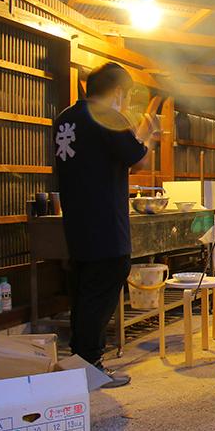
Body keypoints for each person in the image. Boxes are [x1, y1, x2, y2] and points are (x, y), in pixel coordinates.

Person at [54, 62, 157, 388]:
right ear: (117, 92)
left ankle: (78, 363)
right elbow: (137, 160)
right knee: (100, 295)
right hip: (107, 227)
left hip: (78, 225)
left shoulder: (65, 118)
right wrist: (149, 133)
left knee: (84, 296)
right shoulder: (106, 116)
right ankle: (90, 365)